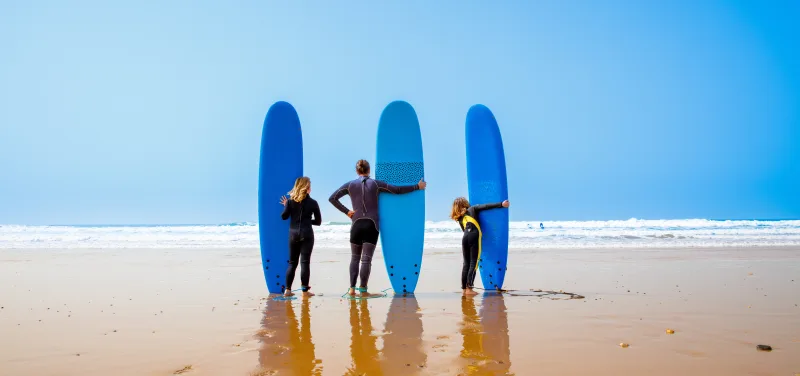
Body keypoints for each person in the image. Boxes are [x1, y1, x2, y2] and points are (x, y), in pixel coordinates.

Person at [329, 159, 426, 297]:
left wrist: (347, 211)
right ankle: (363, 290)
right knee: (366, 259)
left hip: (356, 224)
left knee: (355, 258)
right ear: (369, 170)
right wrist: (417, 186)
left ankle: (351, 289)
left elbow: (332, 198)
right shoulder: (375, 183)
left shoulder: (350, 185)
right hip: (371, 225)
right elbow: (397, 190)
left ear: (357, 171)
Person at [450, 197, 510, 296]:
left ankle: (464, 289)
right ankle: (469, 288)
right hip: (474, 236)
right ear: (465, 203)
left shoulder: (460, 218)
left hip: (465, 237)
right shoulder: (472, 209)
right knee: (474, 262)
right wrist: (501, 204)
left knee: (466, 263)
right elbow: (486, 206)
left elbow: (464, 229)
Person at [280, 177, 321, 298]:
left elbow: (284, 217)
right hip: (307, 234)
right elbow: (318, 222)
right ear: (307, 188)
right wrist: (307, 221)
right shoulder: (313, 203)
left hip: (293, 235)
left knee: (292, 263)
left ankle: (287, 290)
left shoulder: (290, 202)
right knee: (305, 263)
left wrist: (286, 205)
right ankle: (305, 291)